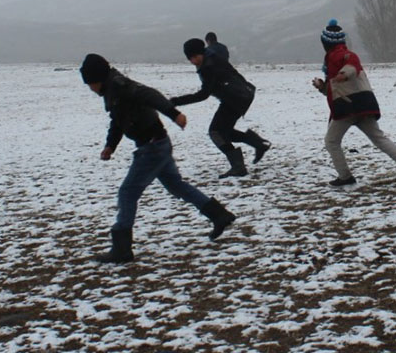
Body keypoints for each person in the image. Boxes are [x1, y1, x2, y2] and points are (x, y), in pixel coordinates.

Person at [79, 53, 236, 263]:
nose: (90, 88)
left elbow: (151, 95)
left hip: (151, 148)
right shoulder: (112, 90)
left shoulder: (121, 86)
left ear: (96, 78)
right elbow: (118, 120)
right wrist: (110, 146)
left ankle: (121, 249)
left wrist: (174, 114)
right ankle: (219, 215)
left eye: (90, 84)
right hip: (158, 144)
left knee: (127, 193)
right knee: (176, 185)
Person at [312, 20, 396, 186]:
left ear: (326, 42)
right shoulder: (335, 61)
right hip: (364, 105)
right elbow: (335, 87)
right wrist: (322, 87)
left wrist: (344, 74)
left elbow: (351, 66)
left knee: (331, 141)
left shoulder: (341, 56)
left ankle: (345, 176)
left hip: (347, 107)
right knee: (379, 138)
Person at [170, 39, 270, 178]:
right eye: (190, 58)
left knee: (216, 132)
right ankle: (258, 144)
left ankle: (238, 167)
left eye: (194, 57)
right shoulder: (211, 57)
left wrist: (175, 101)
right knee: (224, 132)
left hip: (236, 98)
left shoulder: (209, 67)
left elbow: (203, 95)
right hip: (241, 95)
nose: (193, 61)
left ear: (201, 53)